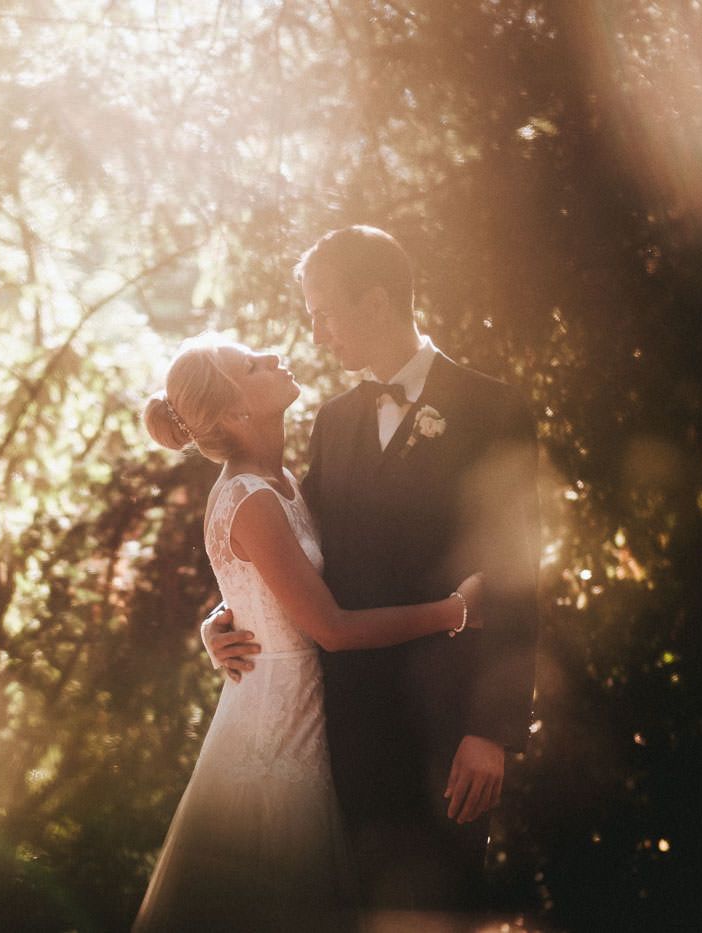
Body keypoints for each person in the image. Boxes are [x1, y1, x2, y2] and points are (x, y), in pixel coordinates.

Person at [203, 225, 540, 917]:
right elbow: (295, 548)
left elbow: (518, 571)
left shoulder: (495, 408)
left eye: (324, 310)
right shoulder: (333, 421)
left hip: (450, 739)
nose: (318, 332)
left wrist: (492, 728)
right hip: (346, 735)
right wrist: (218, 617)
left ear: (376, 302)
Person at [133, 334, 485, 932]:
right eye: (252, 365)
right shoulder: (250, 497)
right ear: (235, 412)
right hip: (276, 733)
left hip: (310, 713)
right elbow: (333, 629)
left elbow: (264, 586)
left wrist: (220, 618)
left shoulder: (284, 481)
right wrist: (453, 611)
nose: (273, 357)